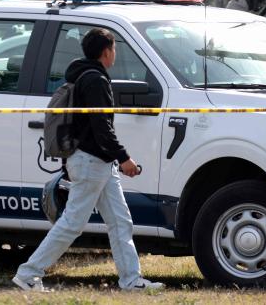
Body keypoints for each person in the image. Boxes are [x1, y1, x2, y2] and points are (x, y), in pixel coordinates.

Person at [13, 28, 164, 292]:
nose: (115, 53)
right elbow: (101, 127)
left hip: (98, 162)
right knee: (73, 223)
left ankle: (131, 281)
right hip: (92, 161)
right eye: (114, 48)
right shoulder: (95, 80)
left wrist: (116, 160)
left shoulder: (83, 75)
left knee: (120, 221)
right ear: (107, 51)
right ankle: (28, 273)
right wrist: (125, 158)